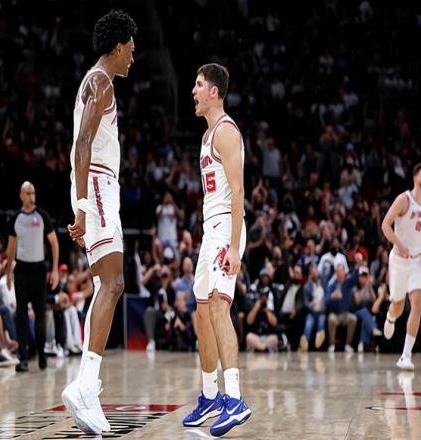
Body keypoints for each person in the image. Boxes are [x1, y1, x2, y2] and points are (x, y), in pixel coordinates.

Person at [61, 10, 137, 435]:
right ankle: (86, 385)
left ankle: (86, 384)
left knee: (104, 285)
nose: (133, 58)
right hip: (98, 185)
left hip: (98, 187)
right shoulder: (101, 81)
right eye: (131, 50)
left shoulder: (96, 81)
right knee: (113, 283)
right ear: (118, 45)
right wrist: (83, 207)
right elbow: (82, 145)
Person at [182, 63, 251, 437]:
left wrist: (235, 246)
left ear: (214, 91)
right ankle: (210, 395)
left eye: (198, 85)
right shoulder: (208, 134)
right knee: (202, 311)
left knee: (220, 308)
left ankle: (235, 399)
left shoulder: (225, 131)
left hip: (226, 228)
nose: (193, 91)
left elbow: (238, 192)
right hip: (212, 230)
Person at [381, 163, 421, 370]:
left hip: (417, 261)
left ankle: (405, 355)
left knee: (418, 304)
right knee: (398, 307)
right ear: (415, 178)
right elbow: (385, 225)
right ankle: (390, 317)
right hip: (399, 260)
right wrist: (399, 244)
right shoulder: (404, 199)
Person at [5, 181, 59, 372]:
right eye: (28, 193)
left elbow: (54, 243)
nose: (31, 196)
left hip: (39, 270)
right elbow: (11, 248)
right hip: (21, 270)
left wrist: (54, 270)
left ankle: (42, 353)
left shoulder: (42, 216)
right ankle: (23, 357)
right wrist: (8, 273)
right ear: (21, 196)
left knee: (40, 314)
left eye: (33, 192)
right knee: (21, 314)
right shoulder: (16, 218)